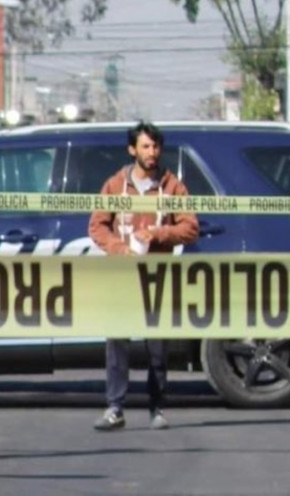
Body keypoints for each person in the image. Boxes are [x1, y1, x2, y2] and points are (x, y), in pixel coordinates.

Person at [88, 121, 199, 431]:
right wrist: (117, 246)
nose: (152, 153)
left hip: (156, 276)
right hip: (121, 277)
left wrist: (158, 233)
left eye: (156, 146)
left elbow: (190, 227)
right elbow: (97, 225)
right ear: (132, 149)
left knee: (157, 347)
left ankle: (157, 407)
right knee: (117, 343)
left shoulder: (172, 186)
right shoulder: (114, 185)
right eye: (146, 146)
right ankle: (115, 407)